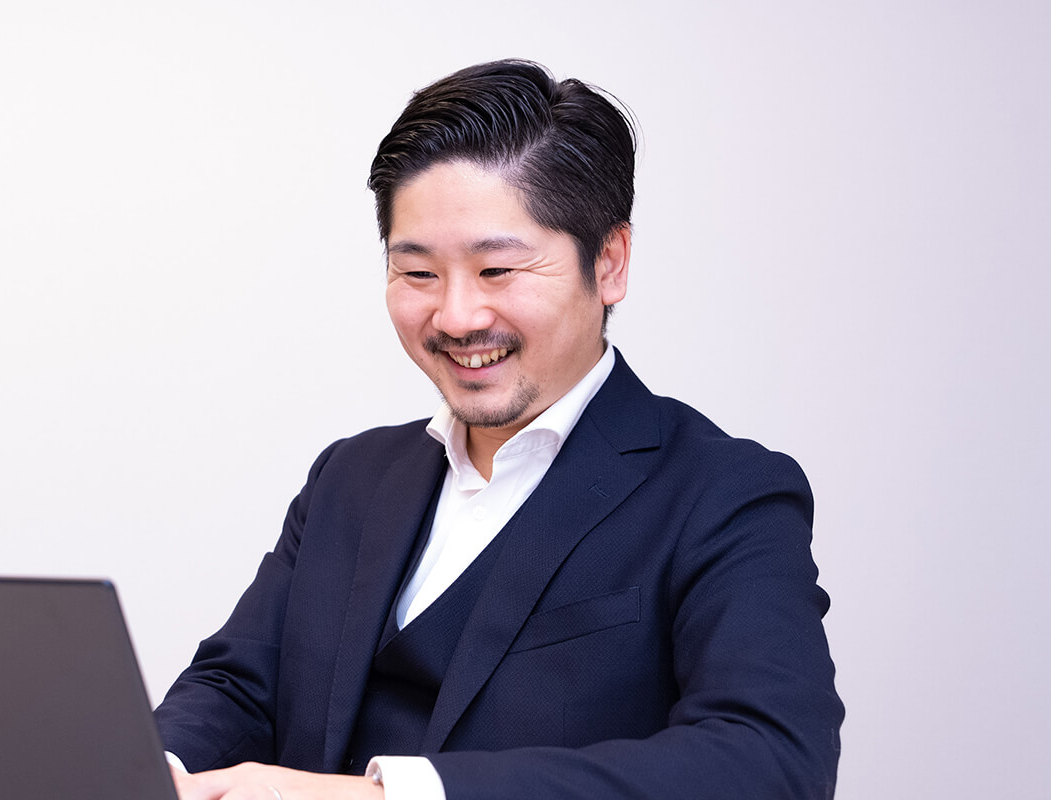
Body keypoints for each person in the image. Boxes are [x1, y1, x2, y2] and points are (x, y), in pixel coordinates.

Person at [154, 59, 844, 800]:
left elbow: (769, 761)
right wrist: (148, 767)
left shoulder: (723, 494)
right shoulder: (350, 476)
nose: (456, 318)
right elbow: (237, 685)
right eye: (418, 273)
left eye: (497, 271)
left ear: (610, 263)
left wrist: (389, 796)